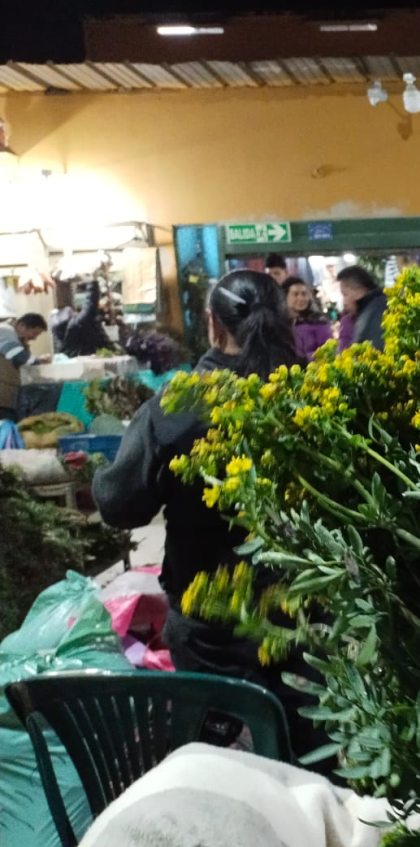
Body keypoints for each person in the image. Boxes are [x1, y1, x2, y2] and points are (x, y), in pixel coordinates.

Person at [92, 271, 324, 763]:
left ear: (215, 327)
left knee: (216, 764)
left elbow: (120, 504)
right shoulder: (318, 395)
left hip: (211, 630)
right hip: (310, 622)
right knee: (314, 760)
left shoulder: (179, 405)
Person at [0, 313, 46, 422]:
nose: (34, 338)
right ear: (21, 325)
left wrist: (25, 345)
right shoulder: (6, 330)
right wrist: (39, 361)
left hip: (8, 398)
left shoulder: (16, 338)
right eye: (34, 333)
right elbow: (18, 357)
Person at [336, 264, 387, 350]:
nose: (344, 302)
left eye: (345, 294)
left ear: (359, 291)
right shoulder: (376, 305)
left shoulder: (373, 314)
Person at [281, 276, 333, 359]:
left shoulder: (318, 322)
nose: (300, 298)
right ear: (284, 297)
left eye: (304, 294)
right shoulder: (279, 324)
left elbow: (329, 350)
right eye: (295, 294)